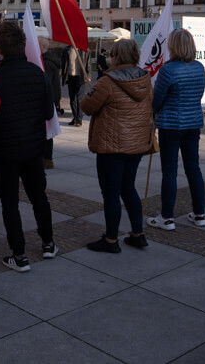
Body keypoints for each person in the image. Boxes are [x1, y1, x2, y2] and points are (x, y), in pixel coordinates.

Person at [0, 21, 57, 271]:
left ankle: (19, 255)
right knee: (39, 197)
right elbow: (48, 112)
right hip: (32, 148)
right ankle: (48, 243)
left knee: (9, 203)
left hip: (4, 150)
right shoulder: (38, 74)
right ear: (23, 46)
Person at [81, 38, 152, 252]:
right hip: (136, 144)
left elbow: (87, 107)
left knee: (111, 192)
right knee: (128, 188)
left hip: (111, 145)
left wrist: (89, 91)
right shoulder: (145, 79)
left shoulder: (107, 82)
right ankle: (138, 234)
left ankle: (111, 240)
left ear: (115, 57)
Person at [147, 29, 205, 231]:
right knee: (193, 168)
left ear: (173, 46)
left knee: (170, 171)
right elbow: (198, 94)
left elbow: (157, 100)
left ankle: (167, 217)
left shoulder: (168, 70)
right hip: (193, 123)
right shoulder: (199, 67)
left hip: (171, 125)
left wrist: (153, 112)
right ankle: (199, 214)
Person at [62, 44, 90, 126]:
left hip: (80, 76)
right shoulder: (66, 50)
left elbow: (88, 64)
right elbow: (63, 64)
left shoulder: (85, 50)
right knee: (72, 100)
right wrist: (63, 75)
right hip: (70, 77)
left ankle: (79, 119)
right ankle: (75, 117)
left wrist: (88, 75)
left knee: (79, 99)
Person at [40, 38, 64, 117]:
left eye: (37, 45)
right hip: (53, 96)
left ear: (43, 47)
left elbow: (46, 82)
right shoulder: (50, 58)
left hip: (50, 98)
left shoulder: (47, 62)